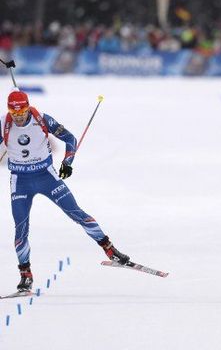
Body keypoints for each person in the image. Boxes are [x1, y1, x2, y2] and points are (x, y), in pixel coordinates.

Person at [1, 91, 130, 292]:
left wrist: (67, 162)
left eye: (22, 112)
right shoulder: (3, 123)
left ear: (28, 107)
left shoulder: (41, 118)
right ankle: (25, 275)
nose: (18, 117)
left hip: (47, 177)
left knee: (75, 212)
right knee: (21, 226)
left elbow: (70, 138)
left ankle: (109, 249)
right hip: (20, 181)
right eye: (13, 113)